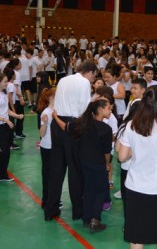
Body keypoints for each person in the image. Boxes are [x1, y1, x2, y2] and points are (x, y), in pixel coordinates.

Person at [118, 85, 157, 248]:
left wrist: (138, 149)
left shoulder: (132, 124)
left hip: (135, 187)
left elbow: (122, 156)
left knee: (136, 236)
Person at [44, 60, 97, 221]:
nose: (93, 80)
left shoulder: (63, 79)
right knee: (75, 170)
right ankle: (77, 212)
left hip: (57, 124)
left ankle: (50, 210)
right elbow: (83, 109)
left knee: (56, 169)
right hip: (72, 125)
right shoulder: (84, 83)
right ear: (89, 72)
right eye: (94, 77)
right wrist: (93, 102)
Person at [53, 99, 112, 232]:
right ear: (100, 110)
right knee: (100, 191)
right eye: (108, 108)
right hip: (98, 164)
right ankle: (95, 220)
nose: (110, 110)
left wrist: (55, 117)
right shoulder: (105, 129)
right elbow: (106, 152)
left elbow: (65, 127)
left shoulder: (82, 124)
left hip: (84, 163)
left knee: (88, 189)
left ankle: (86, 218)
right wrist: (107, 164)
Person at [0, 73, 24, 181]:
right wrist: (5, 120)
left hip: (6, 125)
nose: (6, 83)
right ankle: (2, 174)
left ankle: (3, 173)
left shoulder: (4, 94)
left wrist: (17, 116)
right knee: (4, 150)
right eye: (4, 81)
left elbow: (6, 110)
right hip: (1, 125)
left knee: (6, 150)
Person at [38, 88, 56, 208]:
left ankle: (53, 199)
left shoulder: (57, 110)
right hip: (47, 147)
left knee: (55, 174)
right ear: (50, 98)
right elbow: (42, 134)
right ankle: (46, 200)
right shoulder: (46, 112)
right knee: (48, 174)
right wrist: (44, 123)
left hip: (56, 147)